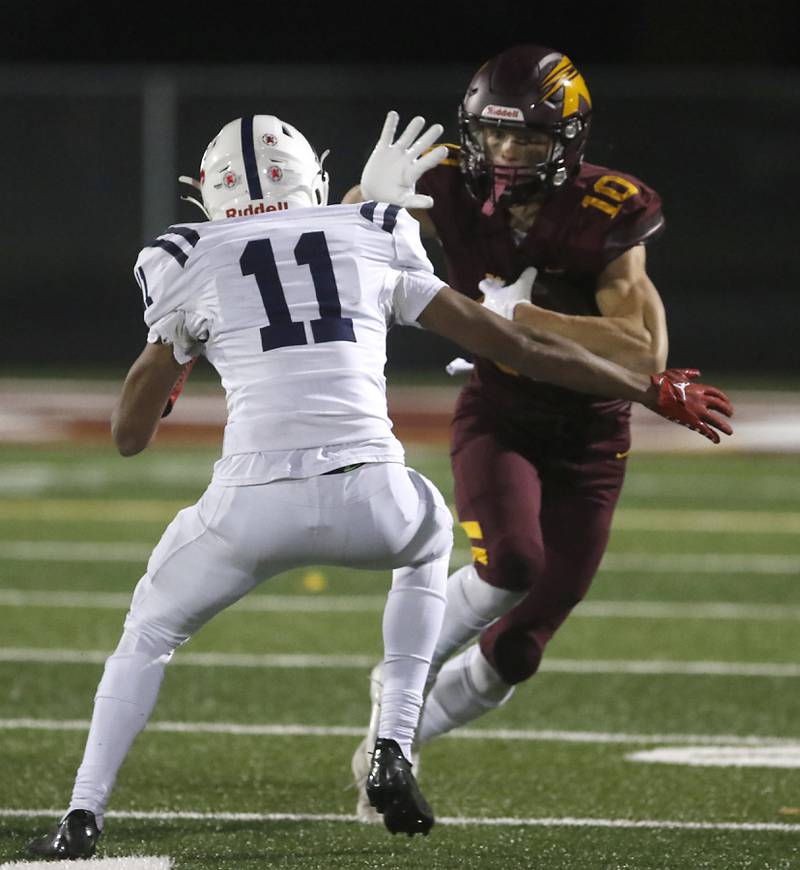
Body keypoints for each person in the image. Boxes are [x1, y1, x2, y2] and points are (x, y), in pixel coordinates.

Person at [27, 110, 730, 860]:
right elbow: (519, 343)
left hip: (249, 508)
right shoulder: (370, 233)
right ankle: (394, 740)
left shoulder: (186, 257)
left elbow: (129, 436)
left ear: (208, 197)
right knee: (429, 540)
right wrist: (648, 388)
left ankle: (83, 815)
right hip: (373, 496)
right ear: (317, 180)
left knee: (148, 634)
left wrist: (174, 348)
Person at [345, 45, 725, 821]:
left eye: (528, 141)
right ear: (472, 130)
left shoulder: (608, 207)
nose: (508, 155)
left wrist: (525, 312)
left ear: (569, 142)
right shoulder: (443, 176)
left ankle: (402, 726)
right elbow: (328, 245)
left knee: (519, 650)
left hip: (592, 435)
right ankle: (400, 704)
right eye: (495, 136)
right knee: (511, 561)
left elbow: (643, 351)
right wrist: (363, 205)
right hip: (502, 411)